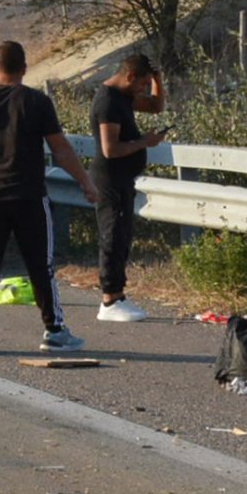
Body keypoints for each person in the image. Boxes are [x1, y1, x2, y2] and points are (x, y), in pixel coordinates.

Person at [0, 40, 99, 354]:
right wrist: (85, 181)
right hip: (28, 195)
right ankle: (54, 330)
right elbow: (60, 149)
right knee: (40, 264)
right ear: (24, 69)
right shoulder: (37, 101)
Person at [90, 53, 167, 323]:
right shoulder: (108, 101)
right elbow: (110, 149)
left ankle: (118, 294)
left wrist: (157, 81)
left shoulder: (123, 97)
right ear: (130, 77)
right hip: (109, 178)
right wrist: (144, 142)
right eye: (143, 84)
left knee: (121, 236)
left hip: (123, 179)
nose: (144, 90)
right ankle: (109, 299)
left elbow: (156, 107)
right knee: (112, 236)